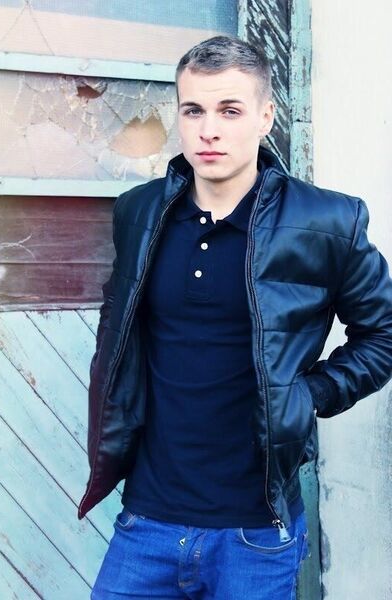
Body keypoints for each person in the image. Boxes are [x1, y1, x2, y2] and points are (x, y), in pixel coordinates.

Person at [79, 35, 392, 599]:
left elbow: (383, 334)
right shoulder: (139, 211)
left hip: (256, 532)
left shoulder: (327, 221)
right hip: (147, 520)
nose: (209, 130)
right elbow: (117, 329)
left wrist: (311, 394)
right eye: (193, 110)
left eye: (229, 110)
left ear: (265, 116)